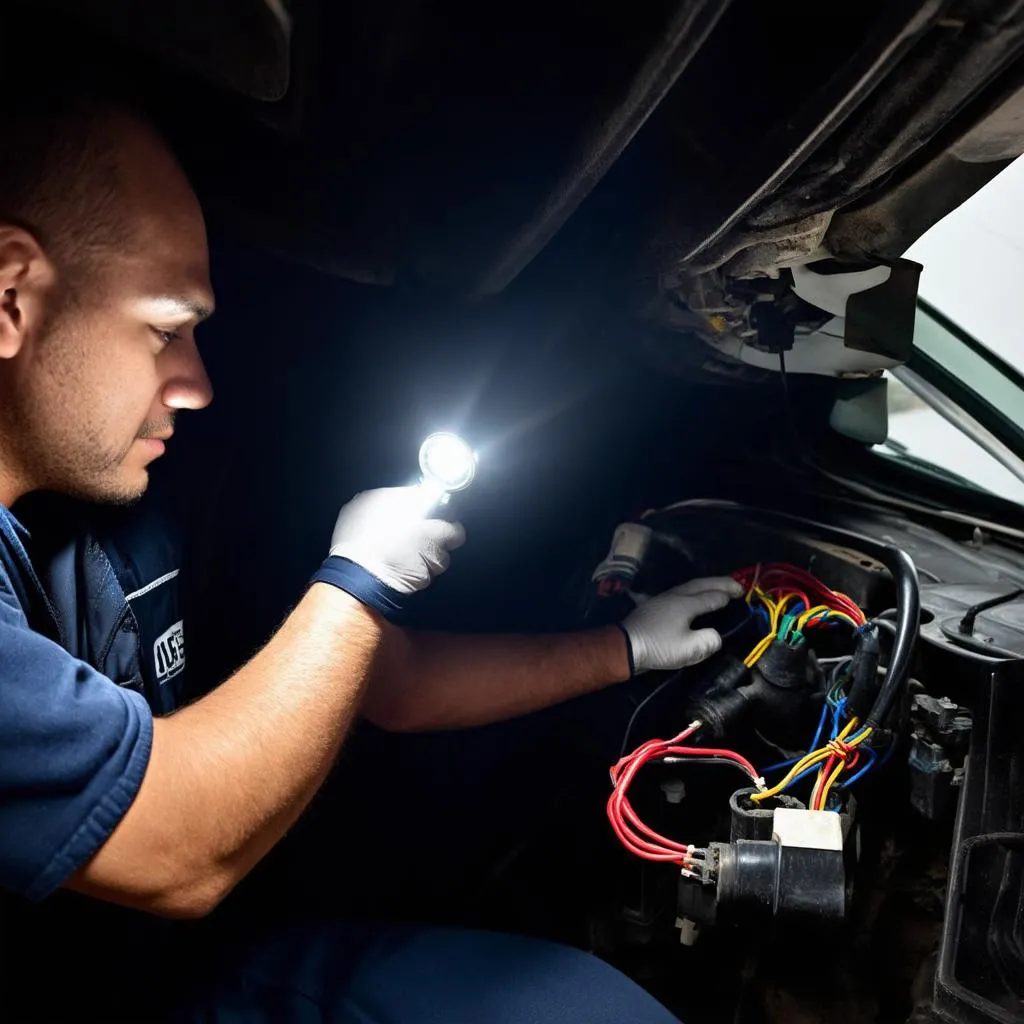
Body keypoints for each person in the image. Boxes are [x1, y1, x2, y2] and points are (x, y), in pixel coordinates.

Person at [0, 92, 744, 1022]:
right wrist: (357, 581)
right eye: (164, 330)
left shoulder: (119, 499)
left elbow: (380, 680)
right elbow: (172, 850)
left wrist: (624, 648)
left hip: (182, 973)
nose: (195, 383)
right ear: (10, 295)